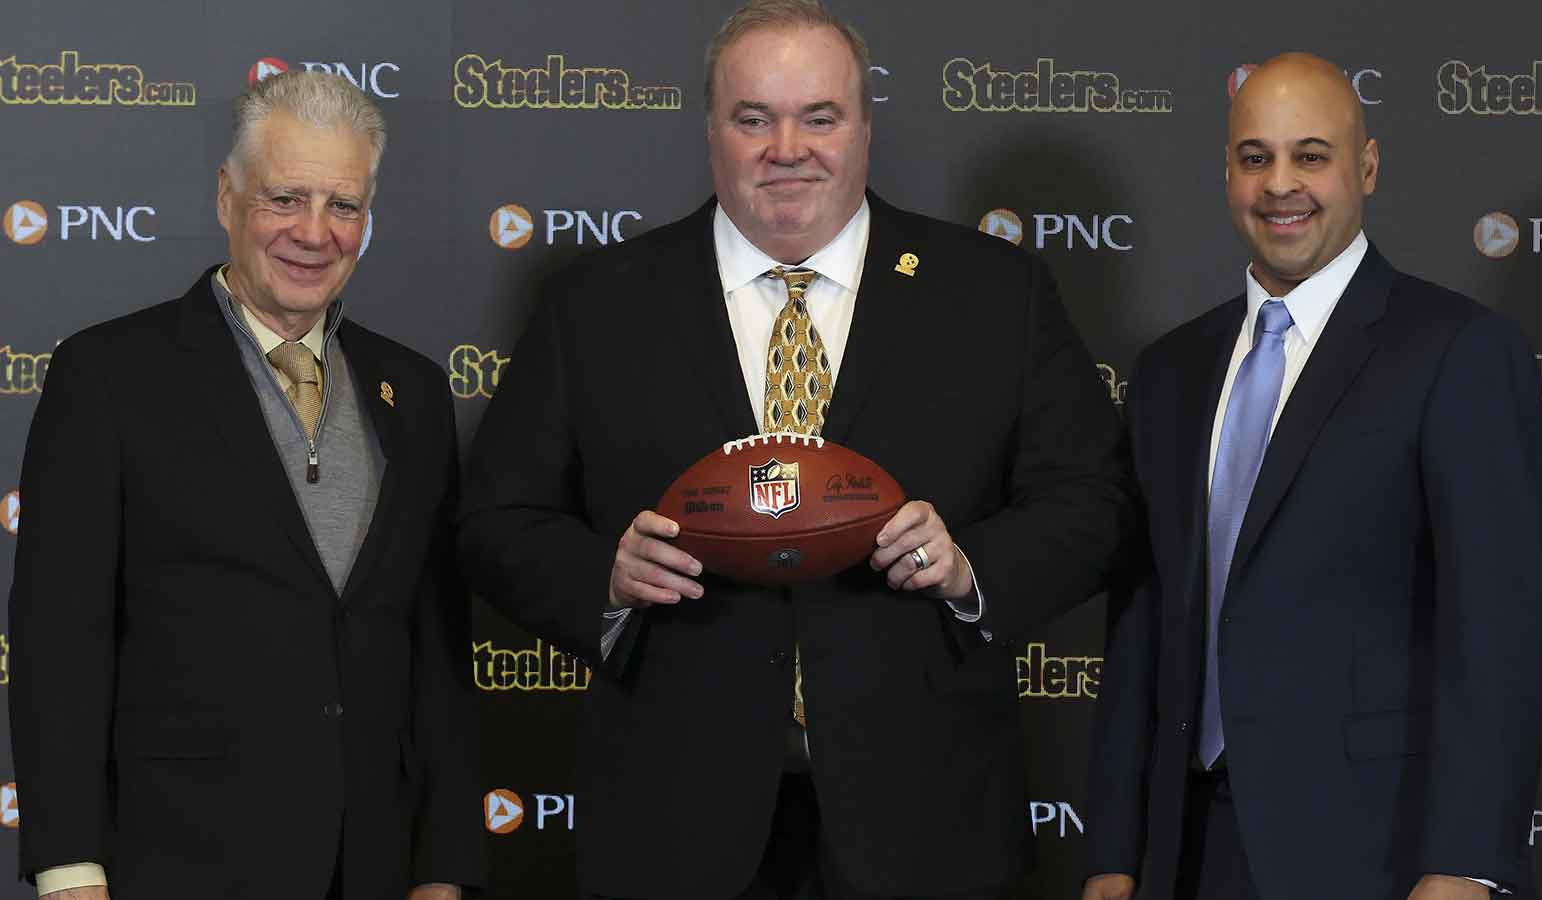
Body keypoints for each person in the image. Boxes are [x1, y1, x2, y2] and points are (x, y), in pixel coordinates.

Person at [456, 1, 1136, 897]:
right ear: (711, 130)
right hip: (673, 825)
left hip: (928, 822)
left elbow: (1093, 502)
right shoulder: (598, 304)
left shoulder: (995, 294)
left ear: (864, 127)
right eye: (753, 119)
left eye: (820, 117)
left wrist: (970, 566)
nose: (788, 148)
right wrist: (607, 579)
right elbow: (496, 522)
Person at [1082, 53, 1542, 900]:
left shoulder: (1459, 350)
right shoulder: (1168, 371)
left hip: (1374, 852)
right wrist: (1114, 854)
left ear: (1365, 167)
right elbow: (1141, 627)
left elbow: (1497, 635)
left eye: (1311, 155)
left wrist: (1466, 863)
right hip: (1183, 851)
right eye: (1255, 157)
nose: (1280, 185)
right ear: (1227, 172)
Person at [8, 70, 484, 900]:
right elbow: (59, 639)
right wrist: (69, 868)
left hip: (372, 865)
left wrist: (445, 866)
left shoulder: (413, 389)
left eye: (344, 205)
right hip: (176, 862)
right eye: (284, 198)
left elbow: (436, 651)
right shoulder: (110, 375)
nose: (315, 232)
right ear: (227, 197)